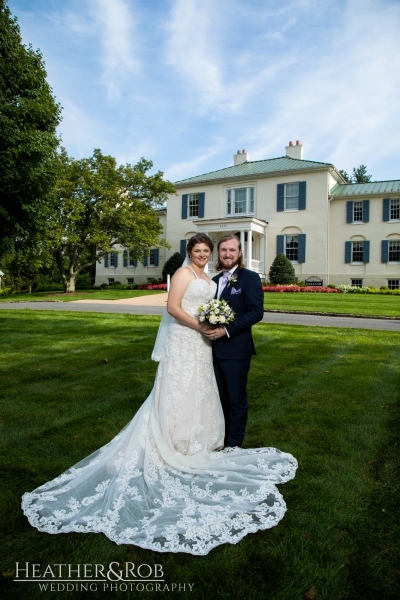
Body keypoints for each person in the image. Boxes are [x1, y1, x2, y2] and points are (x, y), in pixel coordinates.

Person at [22, 233, 297, 556]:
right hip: (190, 340)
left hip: (224, 344)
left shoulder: (235, 277)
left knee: (226, 397)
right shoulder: (188, 274)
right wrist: (202, 325)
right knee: (184, 389)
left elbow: (254, 311)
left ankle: (227, 444)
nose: (214, 254)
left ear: (236, 252)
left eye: (220, 250)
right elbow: (173, 307)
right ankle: (177, 439)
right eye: (206, 250)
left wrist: (221, 327)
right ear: (192, 252)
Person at [203, 234, 264, 448]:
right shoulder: (213, 282)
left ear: (239, 253)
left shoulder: (249, 278)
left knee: (236, 401)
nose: (227, 254)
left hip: (236, 351)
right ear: (218, 253)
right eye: (223, 250)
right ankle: (221, 439)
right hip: (212, 351)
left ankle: (234, 445)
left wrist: (226, 330)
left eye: (232, 250)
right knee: (219, 400)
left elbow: (256, 312)